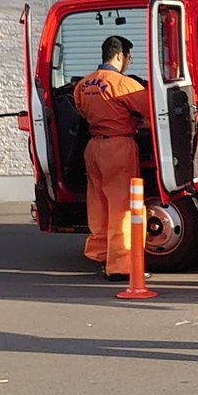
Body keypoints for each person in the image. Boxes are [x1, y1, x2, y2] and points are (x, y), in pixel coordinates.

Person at [74, 36, 154, 280]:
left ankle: (101, 255)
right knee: (123, 208)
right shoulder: (123, 83)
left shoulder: (83, 84)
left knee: (99, 205)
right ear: (120, 56)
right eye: (129, 58)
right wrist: (139, 123)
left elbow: (81, 111)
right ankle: (121, 266)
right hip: (118, 147)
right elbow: (152, 108)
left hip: (94, 147)